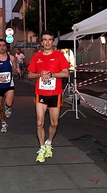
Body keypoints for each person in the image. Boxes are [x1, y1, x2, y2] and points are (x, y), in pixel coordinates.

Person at [27, 31, 70, 163]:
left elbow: (66, 73)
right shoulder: (37, 57)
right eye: (45, 40)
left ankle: (49, 143)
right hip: (41, 93)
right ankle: (41, 147)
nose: (47, 42)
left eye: (49, 40)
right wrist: (40, 74)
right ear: (41, 42)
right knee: (39, 122)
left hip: (55, 94)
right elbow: (29, 75)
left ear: (53, 42)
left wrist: (51, 75)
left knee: (54, 123)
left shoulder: (59, 56)